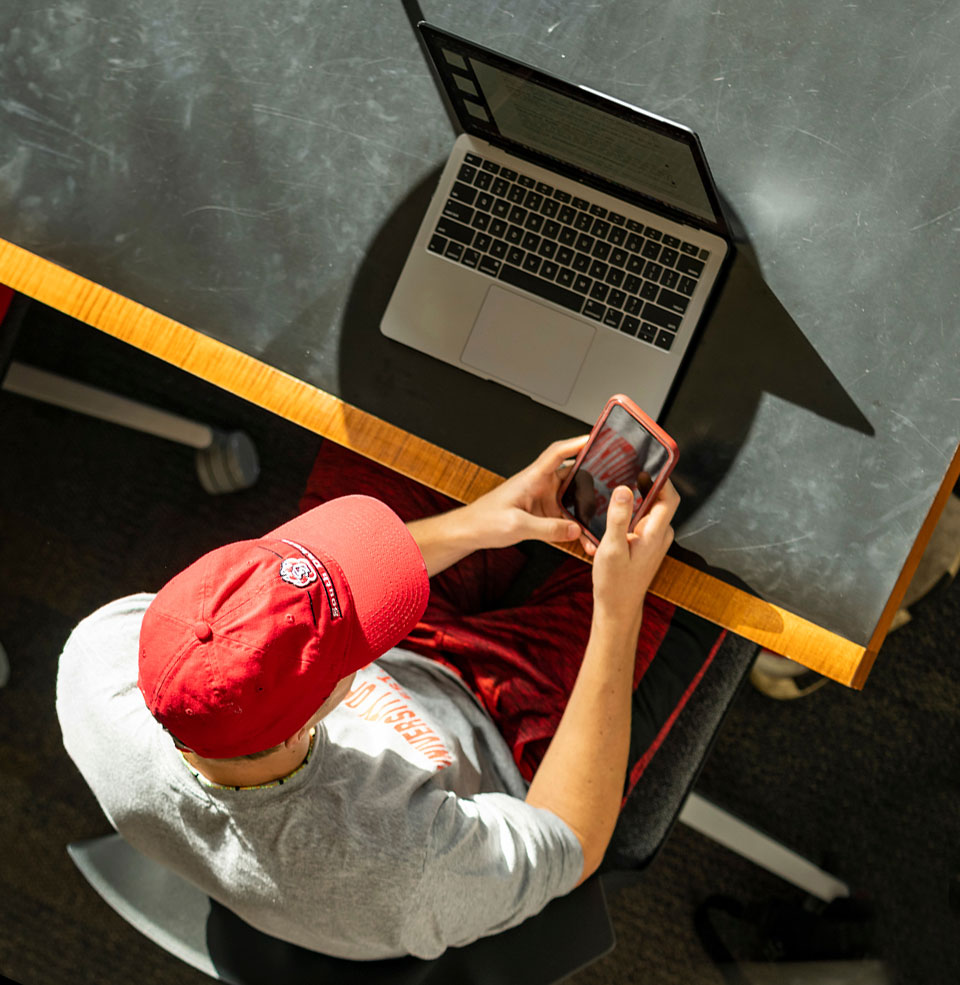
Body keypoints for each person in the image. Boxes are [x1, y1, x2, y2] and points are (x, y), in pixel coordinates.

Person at [56, 437, 723, 961]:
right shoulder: (403, 868)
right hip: (506, 725)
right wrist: (617, 607)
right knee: (697, 515)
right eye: (349, 644)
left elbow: (297, 585)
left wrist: (480, 522)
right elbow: (567, 842)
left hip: (360, 644)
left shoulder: (100, 659)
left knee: (409, 397)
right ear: (311, 723)